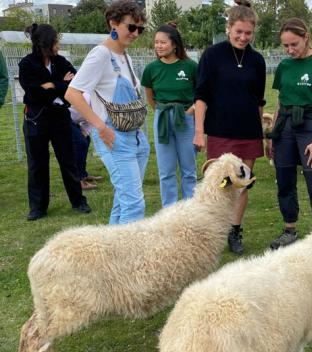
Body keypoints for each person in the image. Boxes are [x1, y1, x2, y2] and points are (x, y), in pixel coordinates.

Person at [66, 0, 150, 225]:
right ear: (113, 23)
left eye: (139, 29)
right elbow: (72, 93)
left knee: (124, 200)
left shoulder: (126, 56)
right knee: (134, 204)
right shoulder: (100, 55)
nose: (135, 33)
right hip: (114, 138)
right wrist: (100, 127)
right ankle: (127, 258)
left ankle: (109, 254)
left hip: (135, 136)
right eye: (131, 27)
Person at [194, 0, 266, 255]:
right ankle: (213, 230)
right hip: (219, 131)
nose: (243, 37)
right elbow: (201, 95)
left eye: (248, 33)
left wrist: (260, 133)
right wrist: (199, 131)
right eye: (239, 32)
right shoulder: (212, 56)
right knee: (220, 184)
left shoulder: (257, 60)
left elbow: (259, 100)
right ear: (229, 28)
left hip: (248, 132)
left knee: (241, 185)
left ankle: (234, 230)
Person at [266, 18, 312, 250]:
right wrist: (273, 135)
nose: (289, 50)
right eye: (285, 46)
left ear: (306, 37)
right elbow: (279, 103)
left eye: (294, 44)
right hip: (284, 128)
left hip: (310, 127)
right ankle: (289, 230)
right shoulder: (285, 66)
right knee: (285, 182)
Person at [18, 23, 91, 221]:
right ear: (45, 43)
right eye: (55, 41)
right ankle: (38, 207)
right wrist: (61, 85)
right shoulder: (26, 64)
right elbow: (33, 93)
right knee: (37, 165)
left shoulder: (61, 62)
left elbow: (76, 84)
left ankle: (78, 201)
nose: (58, 44)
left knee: (68, 161)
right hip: (36, 119)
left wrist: (52, 85)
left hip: (60, 118)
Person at [142, 23, 198, 207]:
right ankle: (170, 211)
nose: (158, 46)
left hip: (186, 120)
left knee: (189, 170)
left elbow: (202, 94)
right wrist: (161, 111)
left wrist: (189, 112)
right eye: (156, 42)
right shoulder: (151, 69)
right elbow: (150, 97)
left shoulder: (190, 66)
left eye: (163, 42)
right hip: (163, 120)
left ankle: (190, 210)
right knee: (166, 171)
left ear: (174, 45)